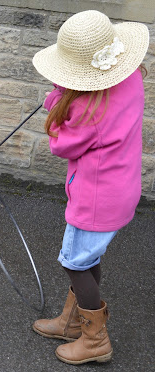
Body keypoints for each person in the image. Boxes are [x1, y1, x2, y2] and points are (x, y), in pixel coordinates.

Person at [31, 10, 149, 365]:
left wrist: (56, 100)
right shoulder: (130, 80)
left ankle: (95, 341)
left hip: (96, 198)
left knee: (75, 262)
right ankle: (72, 323)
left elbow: (61, 145)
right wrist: (69, 91)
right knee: (87, 257)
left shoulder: (85, 107)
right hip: (120, 190)